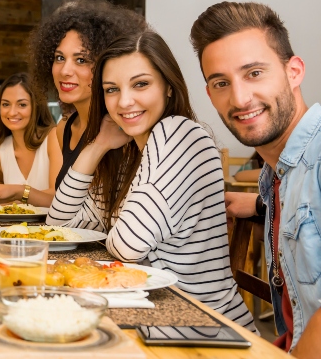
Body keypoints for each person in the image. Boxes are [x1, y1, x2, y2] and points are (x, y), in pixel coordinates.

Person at [47, 31, 257, 332]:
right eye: (111, 89)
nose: (124, 101)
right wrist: (97, 147)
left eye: (140, 84)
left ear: (168, 88)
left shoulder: (179, 134)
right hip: (150, 316)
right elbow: (61, 229)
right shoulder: (130, 153)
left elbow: (128, 246)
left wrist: (107, 236)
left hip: (200, 326)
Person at [191, 2, 321, 355]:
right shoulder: (278, 175)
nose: (239, 97)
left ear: (293, 71)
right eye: (221, 82)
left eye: (254, 73)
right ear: (210, 95)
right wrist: (262, 205)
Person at [0, 0, 146, 205]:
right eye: (59, 58)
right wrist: (16, 191)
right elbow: (61, 206)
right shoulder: (64, 128)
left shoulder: (122, 128)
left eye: (81, 60)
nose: (65, 71)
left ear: (107, 63)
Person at [0, 73, 61, 195]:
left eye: (22, 105)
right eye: (5, 104)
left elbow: (58, 195)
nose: (12, 112)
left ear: (36, 106)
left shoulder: (53, 138)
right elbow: (3, 194)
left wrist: (18, 192)